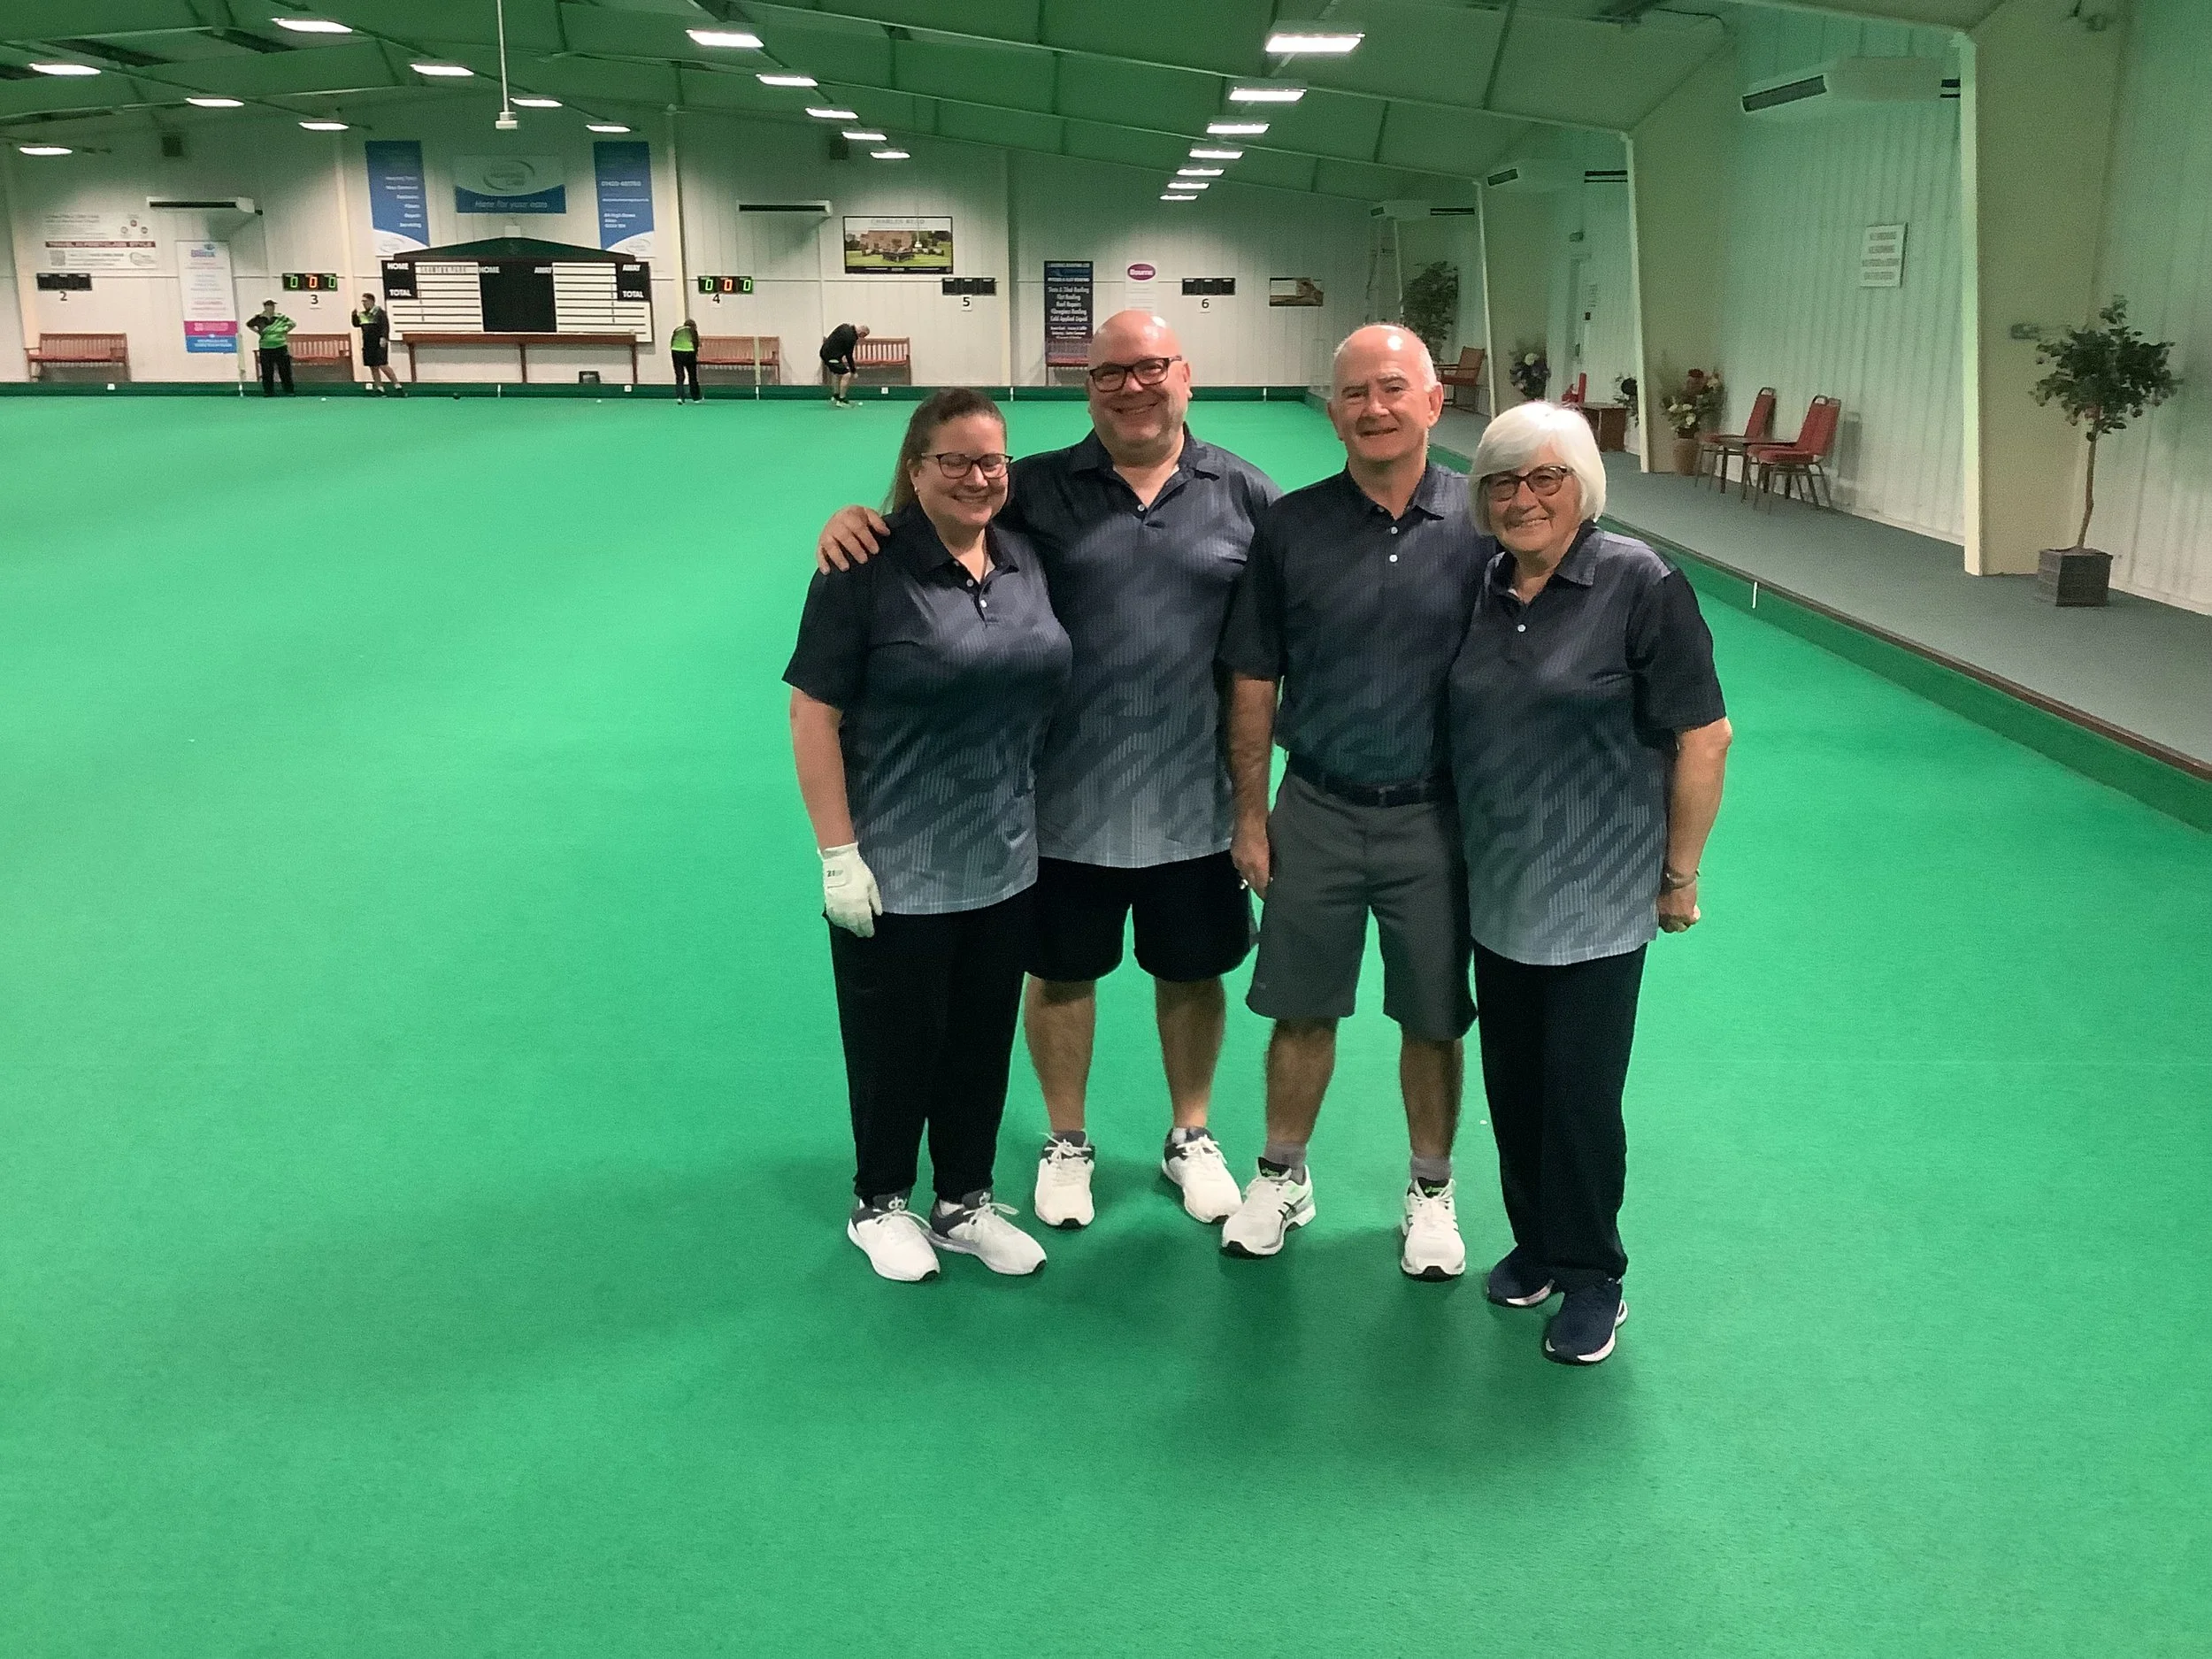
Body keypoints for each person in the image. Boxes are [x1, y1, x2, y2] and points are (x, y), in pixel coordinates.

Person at [815, 311, 1279, 1233]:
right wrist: (857, 518)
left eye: (1151, 369)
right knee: (1062, 974)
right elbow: (935, 526)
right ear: (1085, 386)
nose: (1132, 387)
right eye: (1109, 373)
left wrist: (1257, 805)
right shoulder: (1031, 489)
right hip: (1058, 801)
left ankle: (1190, 1133)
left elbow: (1273, 648)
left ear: (1185, 376)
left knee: (1191, 973)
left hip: (1195, 795)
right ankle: (1066, 1140)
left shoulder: (1246, 494)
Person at [1451, 401, 1731, 1364]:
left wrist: (1679, 875)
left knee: (1577, 1094)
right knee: (1515, 1083)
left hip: (1598, 892)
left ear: (1583, 488)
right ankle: (1534, 1241)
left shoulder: (1638, 582)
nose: (1522, 499)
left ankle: (1591, 1275)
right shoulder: (1482, 585)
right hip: (1497, 886)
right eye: (1501, 482)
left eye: (1544, 479)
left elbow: (1703, 736)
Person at [785, 388, 1072, 1282]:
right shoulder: (860, 568)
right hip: (895, 864)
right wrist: (838, 853)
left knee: (980, 1039)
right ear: (915, 470)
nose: (978, 478)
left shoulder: (1027, 558)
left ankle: (963, 1201)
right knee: (895, 1043)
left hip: (1004, 859)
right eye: (954, 461)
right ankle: (880, 1203)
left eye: (992, 461)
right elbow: (811, 715)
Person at [1217, 325, 1487, 1275]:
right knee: (1300, 1010)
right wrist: (1250, 817)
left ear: (1432, 401)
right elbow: (1253, 678)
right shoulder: (1288, 527)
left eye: (1391, 389)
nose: (1373, 408)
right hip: (1318, 809)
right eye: (1352, 394)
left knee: (1432, 1018)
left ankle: (1430, 1192)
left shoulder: (1487, 524)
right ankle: (1281, 1175)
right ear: (1330, 411)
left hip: (1438, 817)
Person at [246, 301, 295, 396]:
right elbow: (249, 324)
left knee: (285, 370)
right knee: (267, 371)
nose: (271, 307)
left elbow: (292, 324)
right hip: (265, 347)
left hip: (280, 346)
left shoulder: (280, 317)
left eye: (272, 306)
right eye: (269, 306)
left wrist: (285, 330)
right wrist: (257, 332)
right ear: (265, 307)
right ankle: (268, 392)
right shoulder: (259, 318)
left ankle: (289, 391)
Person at [819, 321, 870, 407]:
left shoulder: (845, 326)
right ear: (861, 333)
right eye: (863, 336)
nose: (862, 338)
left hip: (825, 352)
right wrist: (853, 371)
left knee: (836, 373)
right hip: (831, 356)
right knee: (847, 375)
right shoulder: (851, 337)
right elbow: (849, 355)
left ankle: (836, 396)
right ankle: (841, 400)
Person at [671, 317, 703, 403]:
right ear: (694, 326)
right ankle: (696, 397)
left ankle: (680, 397)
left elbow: (672, 342)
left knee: (680, 376)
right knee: (692, 376)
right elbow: (695, 344)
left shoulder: (677, 330)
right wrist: (695, 355)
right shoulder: (693, 331)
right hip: (689, 353)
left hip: (676, 352)